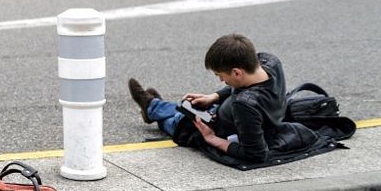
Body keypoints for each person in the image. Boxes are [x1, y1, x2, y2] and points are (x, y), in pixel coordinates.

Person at [127, 34, 323, 166]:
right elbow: (244, 85)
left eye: (220, 75)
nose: (221, 80)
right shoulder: (269, 62)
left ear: (237, 72)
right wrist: (215, 96)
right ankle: (153, 107)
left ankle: (152, 107)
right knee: (189, 108)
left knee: (180, 123)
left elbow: (255, 154)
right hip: (221, 113)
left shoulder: (245, 105)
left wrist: (212, 139)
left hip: (216, 128)